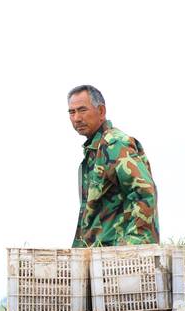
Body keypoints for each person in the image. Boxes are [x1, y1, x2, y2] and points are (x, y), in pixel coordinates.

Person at [67, 84, 159, 247]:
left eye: (82, 110)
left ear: (101, 111)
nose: (76, 118)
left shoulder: (115, 144)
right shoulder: (95, 150)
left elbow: (144, 192)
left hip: (119, 259)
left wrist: (131, 245)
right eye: (71, 112)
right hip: (99, 255)